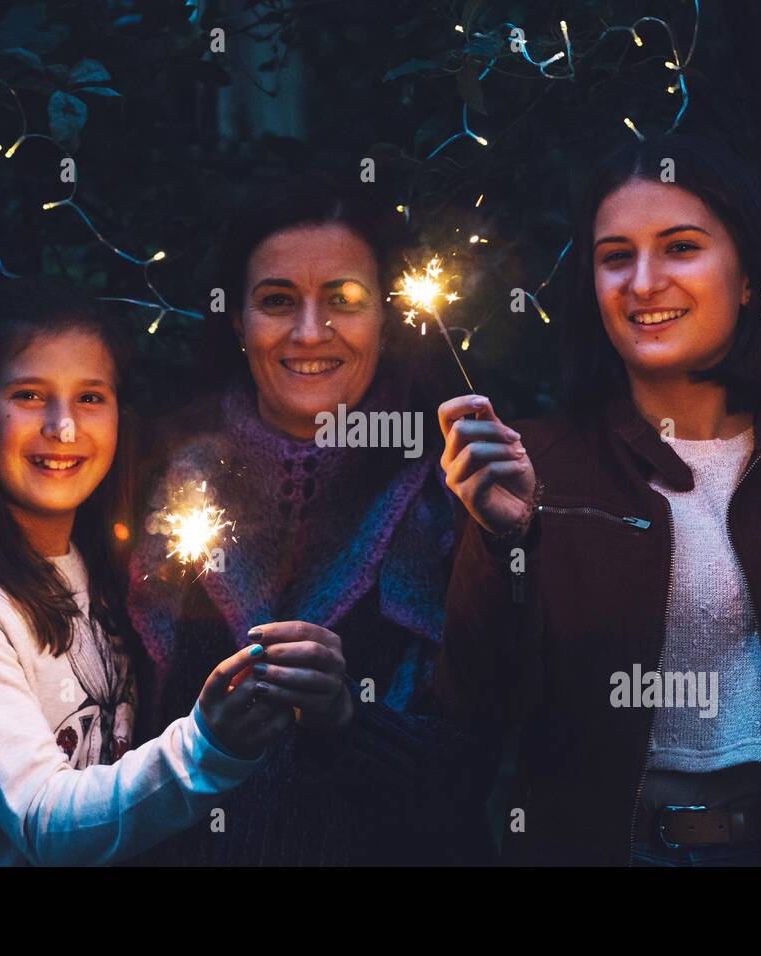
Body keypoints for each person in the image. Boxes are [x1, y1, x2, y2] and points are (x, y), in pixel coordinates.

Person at [435, 134, 761, 866]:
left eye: (681, 248)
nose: (643, 282)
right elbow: (468, 717)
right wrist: (503, 547)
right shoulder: (533, 464)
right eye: (616, 256)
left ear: (747, 277)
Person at [0, 279, 287, 866]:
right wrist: (207, 747)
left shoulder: (101, 570)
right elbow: (45, 821)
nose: (64, 427)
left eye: (90, 397)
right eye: (29, 395)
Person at [127, 179, 493, 865]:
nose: (307, 332)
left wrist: (346, 721)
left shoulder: (457, 496)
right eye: (276, 301)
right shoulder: (154, 484)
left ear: (387, 318)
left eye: (344, 301)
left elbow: (478, 772)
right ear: (236, 322)